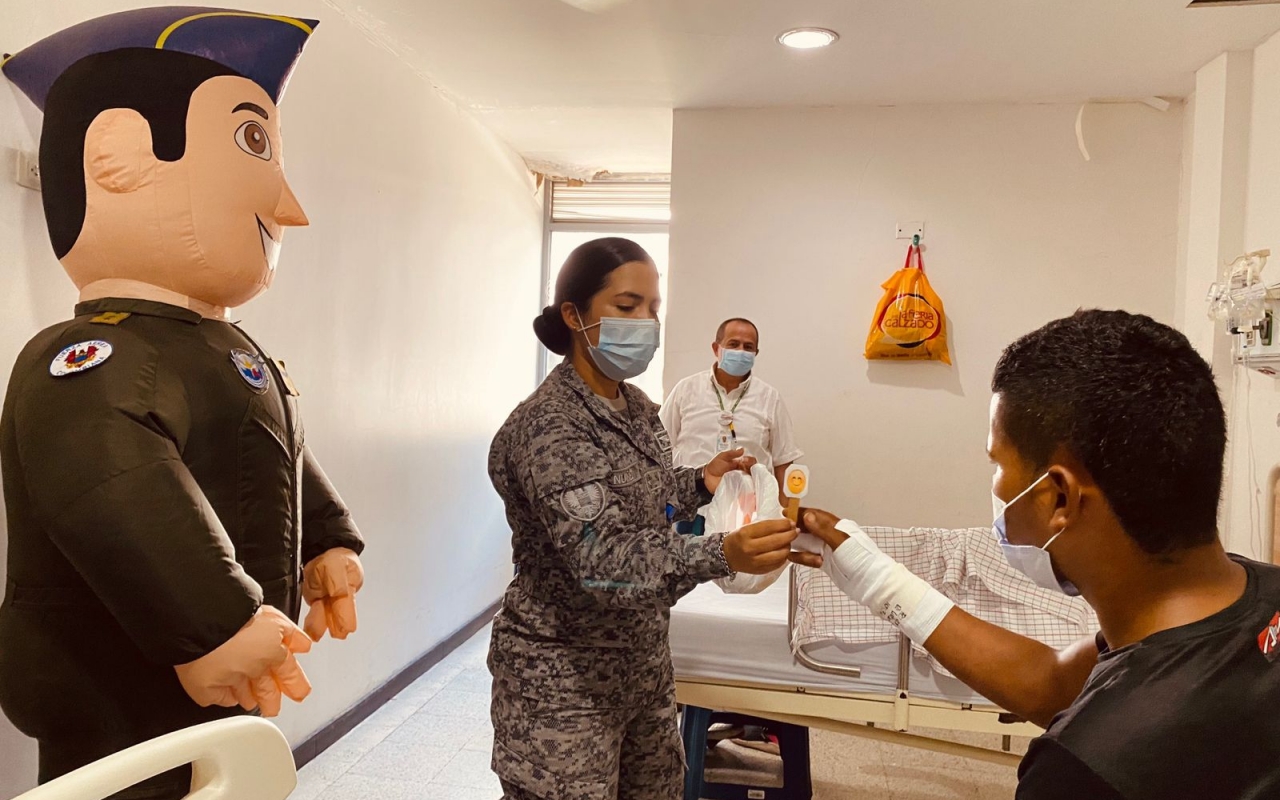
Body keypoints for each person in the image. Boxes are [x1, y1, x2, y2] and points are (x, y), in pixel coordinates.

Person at [0, 10, 365, 798]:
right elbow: (113, 491)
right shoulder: (87, 361)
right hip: (117, 680)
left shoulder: (227, 350)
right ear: (119, 156)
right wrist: (219, 623)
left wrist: (325, 538)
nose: (288, 207)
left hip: (212, 685)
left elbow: (275, 448)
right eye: (251, 143)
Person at [799, 310, 1280, 800]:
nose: (997, 487)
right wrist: (875, 578)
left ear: (1059, 499)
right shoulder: (1253, 596)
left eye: (997, 465)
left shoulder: (1083, 770)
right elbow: (1053, 684)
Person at [487, 237, 805, 800]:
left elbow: (647, 500)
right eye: (627, 306)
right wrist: (721, 553)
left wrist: (699, 483)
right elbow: (603, 560)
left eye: (654, 309)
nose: (646, 322)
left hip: (643, 669)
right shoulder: (550, 426)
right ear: (574, 315)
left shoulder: (636, 408)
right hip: (564, 685)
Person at [660, 318, 802, 501]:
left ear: (756, 353)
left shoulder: (769, 398)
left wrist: (782, 514)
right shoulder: (686, 389)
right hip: (689, 503)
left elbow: (784, 461)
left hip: (749, 505)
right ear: (716, 348)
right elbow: (658, 448)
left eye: (748, 347)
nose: (741, 351)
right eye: (733, 344)